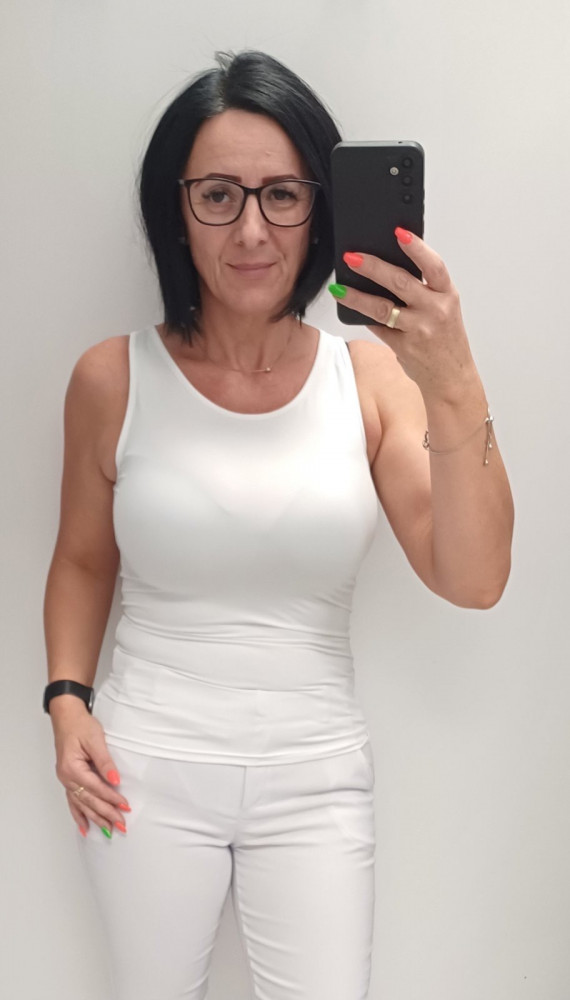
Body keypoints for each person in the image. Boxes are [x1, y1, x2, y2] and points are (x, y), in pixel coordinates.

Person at [42, 49, 514, 1000]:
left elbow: (474, 579)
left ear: (319, 209)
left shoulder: (370, 380)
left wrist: (454, 377)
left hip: (317, 778)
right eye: (219, 195)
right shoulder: (111, 377)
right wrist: (66, 701)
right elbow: (84, 560)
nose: (252, 229)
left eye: (283, 196)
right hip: (141, 770)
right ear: (176, 210)